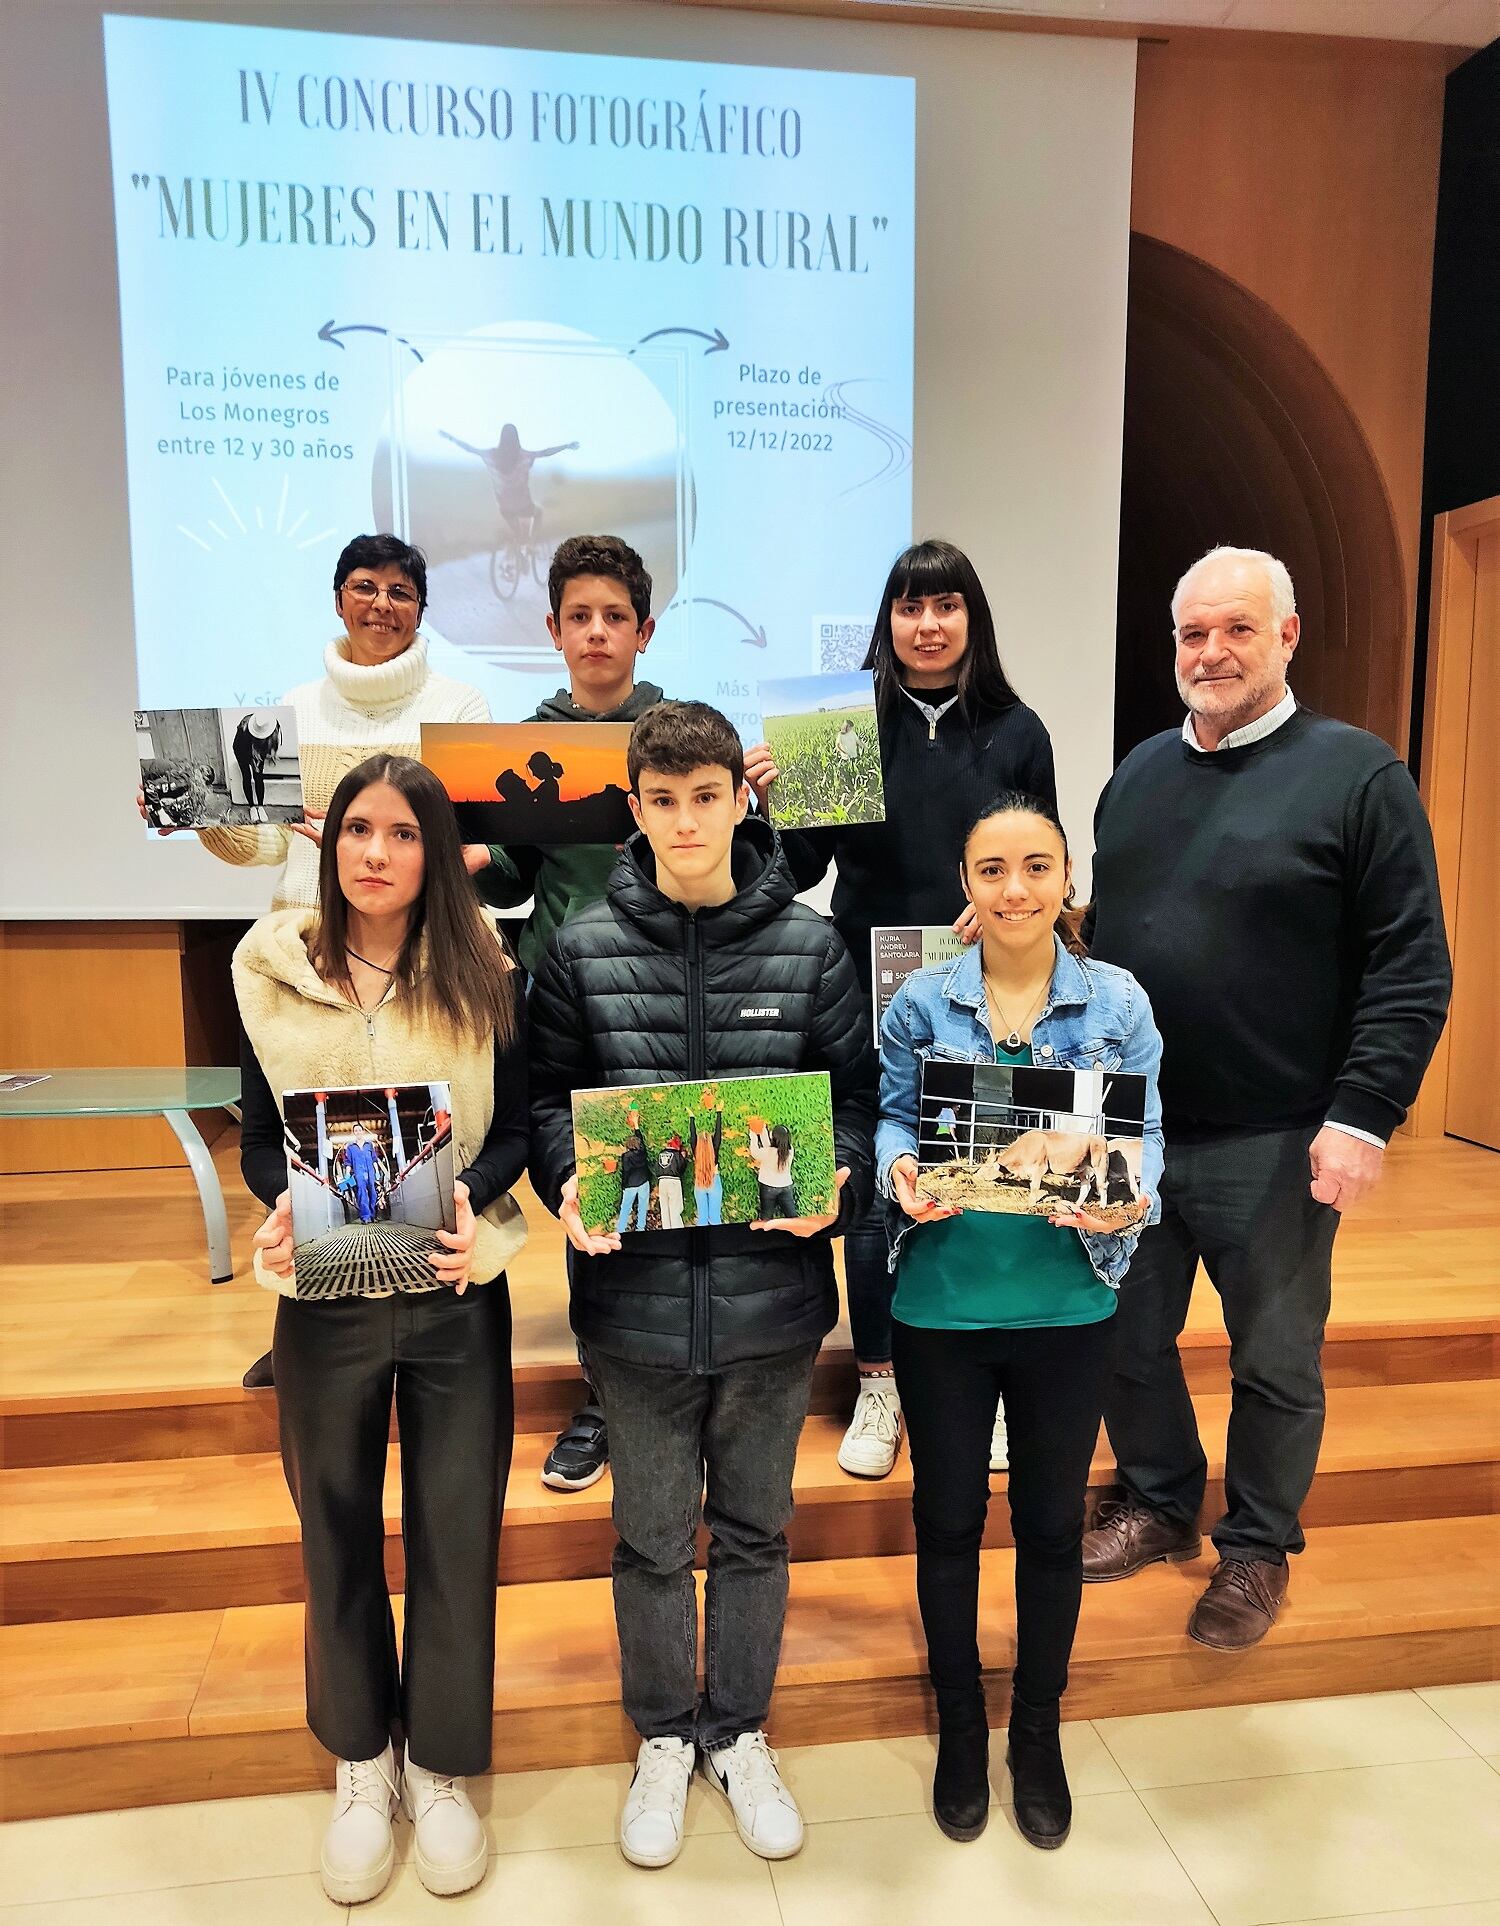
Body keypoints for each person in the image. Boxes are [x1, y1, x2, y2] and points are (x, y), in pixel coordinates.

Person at [1081, 546, 1451, 1649]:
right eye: (1193, 633)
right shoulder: (1137, 775)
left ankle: (1255, 1547)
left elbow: (1410, 966)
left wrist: (1364, 1114)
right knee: (1123, 1337)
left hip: (1280, 1137)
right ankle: (1158, 1501)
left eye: (1237, 629)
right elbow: (1118, 940)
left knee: (1275, 1360)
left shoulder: (1360, 777)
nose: (1211, 652)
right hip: (1130, 1130)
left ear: (1287, 636)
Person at [529, 700, 876, 1870]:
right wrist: (566, 1180)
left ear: (742, 798)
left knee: (756, 1531)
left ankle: (736, 1730)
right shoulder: (579, 950)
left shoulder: (812, 949)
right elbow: (547, 1102)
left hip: (773, 1307)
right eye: (664, 801)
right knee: (648, 1538)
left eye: (706, 797)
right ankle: (663, 1735)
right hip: (631, 1315)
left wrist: (843, 1180)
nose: (686, 822)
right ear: (634, 808)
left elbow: (856, 1103)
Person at [233, 753, 528, 1905]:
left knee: (457, 1528)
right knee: (336, 1529)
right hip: (324, 1301)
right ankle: (363, 1760)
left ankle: (441, 1766)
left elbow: (517, 1129)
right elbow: (259, 1136)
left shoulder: (486, 968)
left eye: (404, 833)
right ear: (330, 840)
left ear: (436, 851)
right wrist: (278, 1200)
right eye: (360, 828)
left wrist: (474, 1197)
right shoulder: (272, 970)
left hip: (455, 1288)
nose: (377, 852)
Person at [137, 534, 502, 1391]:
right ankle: (315, 1312)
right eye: (365, 587)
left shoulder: (460, 703)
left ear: (422, 609)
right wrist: (205, 811)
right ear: (339, 599)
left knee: (412, 1135)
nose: (382, 604)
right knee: (314, 1132)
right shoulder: (293, 709)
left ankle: (420, 1302)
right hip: (308, 953)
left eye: (401, 591)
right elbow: (262, 843)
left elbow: (474, 834)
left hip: (421, 954)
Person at [878, 791, 1162, 1848]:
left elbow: (1146, 1132)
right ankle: (960, 1720)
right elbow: (895, 1115)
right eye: (992, 869)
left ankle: (1035, 1728)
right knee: (947, 1521)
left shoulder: (1117, 1001)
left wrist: (1134, 1192)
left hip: (1068, 1304)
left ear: (1066, 878)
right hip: (941, 1305)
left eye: (1036, 866)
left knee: (1049, 1528)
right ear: (966, 885)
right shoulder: (921, 1001)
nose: (1015, 889)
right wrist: (898, 1169)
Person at [746, 540, 1058, 1482]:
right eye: (909, 606)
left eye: (945, 605)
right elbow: (798, 872)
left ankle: (986, 1384)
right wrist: (771, 807)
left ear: (972, 618)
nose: (927, 625)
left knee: (986, 1166)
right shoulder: (837, 723)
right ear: (887, 622)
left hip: (984, 985)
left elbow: (1038, 854)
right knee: (882, 1178)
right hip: (862, 982)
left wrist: (1004, 897)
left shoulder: (1018, 729)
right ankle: (879, 1379)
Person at [482, 533, 667, 1493]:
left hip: (669, 988)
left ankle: (666, 1385)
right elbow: (515, 876)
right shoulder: (526, 743)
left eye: (615, 616)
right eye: (579, 616)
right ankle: (602, 1395)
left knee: (666, 1180)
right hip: (564, 991)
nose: (597, 632)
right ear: (553, 630)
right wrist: (467, 854)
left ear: (645, 629)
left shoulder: (681, 734)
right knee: (592, 1191)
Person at [440, 422, 579, 546]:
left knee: (517, 533)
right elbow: (545, 452)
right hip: (524, 504)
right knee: (538, 513)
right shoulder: (524, 456)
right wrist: (566, 446)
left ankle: (517, 549)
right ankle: (531, 544)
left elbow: (469, 448)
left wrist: (450, 437)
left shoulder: (491, 455)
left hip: (504, 507)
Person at [232, 710, 283, 823]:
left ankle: (260, 806)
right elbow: (244, 750)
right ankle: (252, 807)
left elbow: (274, 743)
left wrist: (271, 752)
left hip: (259, 748)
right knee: (246, 776)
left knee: (258, 776)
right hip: (241, 749)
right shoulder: (243, 731)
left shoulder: (273, 724)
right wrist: (254, 761)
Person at [689, 1090, 724, 1225]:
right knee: (715, 1218)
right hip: (714, 1181)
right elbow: (718, 1133)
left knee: (702, 1219)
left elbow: (692, 1136)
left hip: (699, 1182)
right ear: (710, 1142)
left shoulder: (696, 1151)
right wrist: (719, 1112)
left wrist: (692, 1117)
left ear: (698, 1144)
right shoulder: (713, 1149)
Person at [748, 1122, 796, 1220]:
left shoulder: (768, 1152)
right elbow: (770, 1147)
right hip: (785, 1187)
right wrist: (763, 1132)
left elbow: (755, 1152)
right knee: (792, 1216)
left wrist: (753, 1135)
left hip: (768, 1188)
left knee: (766, 1217)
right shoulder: (790, 1150)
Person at [614, 1124, 651, 1232]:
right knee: (643, 1206)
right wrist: (636, 1127)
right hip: (644, 1182)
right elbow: (641, 1139)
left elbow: (626, 1172)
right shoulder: (643, 1152)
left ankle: (621, 1229)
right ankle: (641, 1228)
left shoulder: (626, 1156)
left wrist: (624, 1186)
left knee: (625, 1208)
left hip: (631, 1185)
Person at [655, 1132, 687, 1230]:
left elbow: (656, 1168)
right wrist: (683, 1158)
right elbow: (682, 1168)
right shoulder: (677, 1154)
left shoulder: (660, 1154)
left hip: (662, 1181)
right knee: (675, 1208)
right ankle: (677, 1229)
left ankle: (666, 1228)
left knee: (664, 1208)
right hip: (673, 1181)